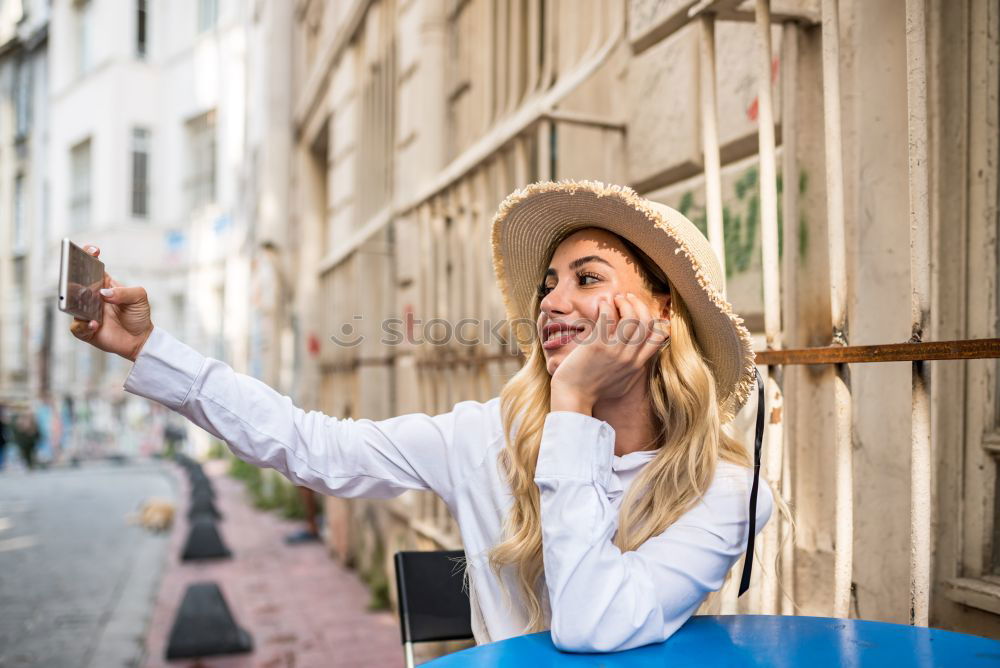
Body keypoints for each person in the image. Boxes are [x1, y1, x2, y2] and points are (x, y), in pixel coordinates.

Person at [69, 180, 776, 653]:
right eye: (548, 284)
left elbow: (592, 624)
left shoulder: (726, 493)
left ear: (661, 313)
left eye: (587, 279)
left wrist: (573, 408)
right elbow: (312, 447)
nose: (552, 304)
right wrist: (151, 350)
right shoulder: (486, 439)